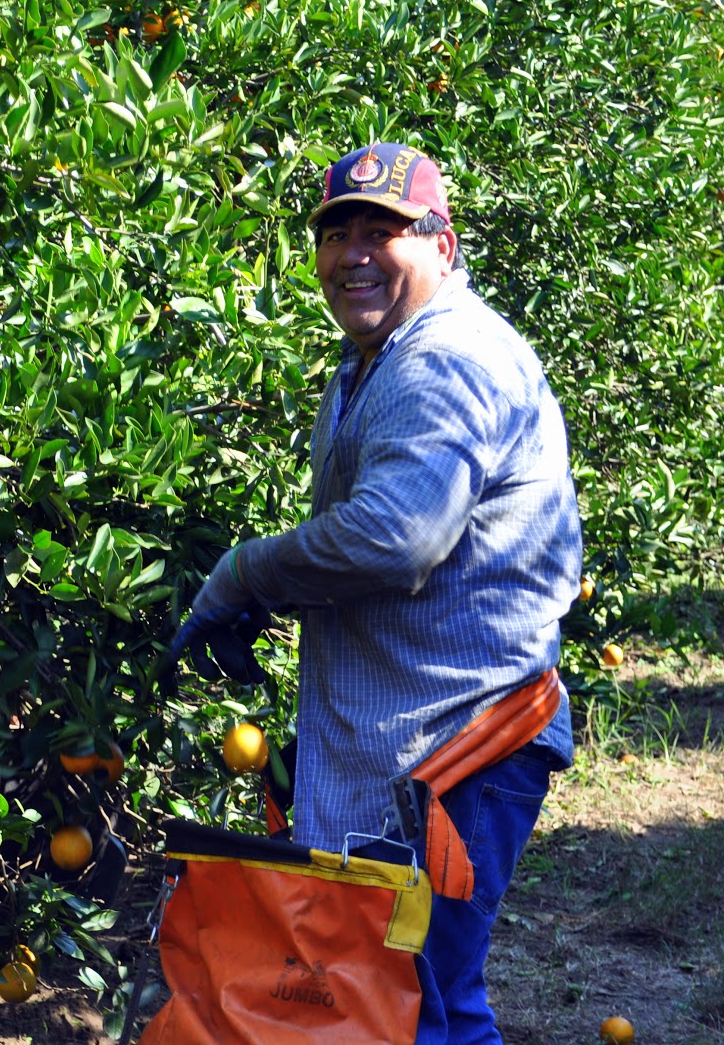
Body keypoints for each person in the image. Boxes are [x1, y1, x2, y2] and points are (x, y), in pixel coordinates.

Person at [171, 142, 582, 1044]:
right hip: (411, 746)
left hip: (461, 750)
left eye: (383, 231)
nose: (355, 252)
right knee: (385, 998)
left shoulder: (445, 358)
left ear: (443, 243)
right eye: (337, 232)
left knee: (419, 1007)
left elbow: (396, 537)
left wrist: (244, 572)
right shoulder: (373, 363)